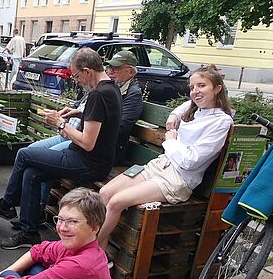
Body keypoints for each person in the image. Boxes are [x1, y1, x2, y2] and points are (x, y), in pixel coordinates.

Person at [0, 48, 122, 249]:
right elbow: (102, 121)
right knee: (32, 174)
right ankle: (29, 232)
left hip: (88, 162)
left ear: (87, 71)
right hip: (92, 158)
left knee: (24, 154)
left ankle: (7, 204)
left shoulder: (98, 95)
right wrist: (78, 113)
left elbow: (88, 142)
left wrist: (60, 123)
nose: (75, 80)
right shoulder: (111, 89)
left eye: (76, 75)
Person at [98, 67, 234, 250]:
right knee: (104, 193)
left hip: (177, 179)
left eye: (202, 86)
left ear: (217, 88)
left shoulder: (221, 122)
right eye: (192, 87)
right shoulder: (196, 108)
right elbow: (185, 105)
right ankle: (101, 252)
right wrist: (173, 115)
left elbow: (191, 161)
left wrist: (170, 142)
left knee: (116, 202)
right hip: (161, 165)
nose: (195, 91)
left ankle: (89, 251)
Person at [25, 50, 143, 224]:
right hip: (77, 139)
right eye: (110, 66)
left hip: (89, 149)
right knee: (31, 156)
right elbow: (96, 114)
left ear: (131, 72)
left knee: (31, 157)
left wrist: (66, 125)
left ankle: (23, 210)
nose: (111, 71)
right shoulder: (104, 87)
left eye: (116, 68)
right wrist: (78, 114)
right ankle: (30, 218)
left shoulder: (123, 93)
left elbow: (116, 127)